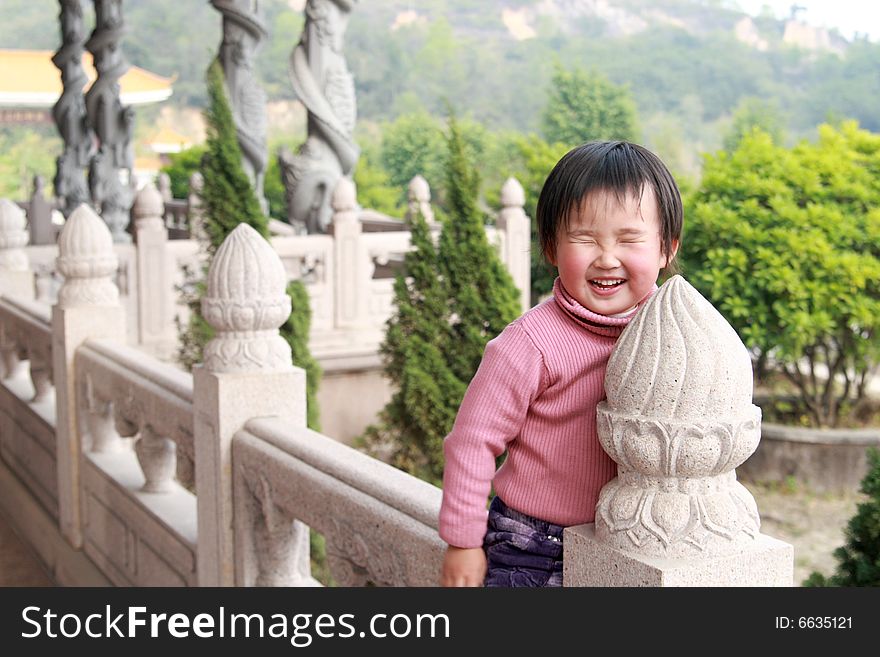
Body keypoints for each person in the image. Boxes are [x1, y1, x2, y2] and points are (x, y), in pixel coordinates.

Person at [438, 140, 683, 587]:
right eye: (585, 238)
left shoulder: (668, 335)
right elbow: (472, 443)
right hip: (531, 544)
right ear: (551, 246)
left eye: (629, 239)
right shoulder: (530, 343)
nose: (607, 257)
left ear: (666, 248)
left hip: (627, 541)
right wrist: (462, 543)